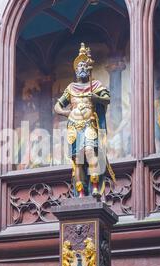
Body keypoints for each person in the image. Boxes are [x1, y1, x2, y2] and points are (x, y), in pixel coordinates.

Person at [54, 43, 115, 198]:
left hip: (89, 124)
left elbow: (107, 99)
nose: (81, 68)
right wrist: (68, 113)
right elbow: (57, 107)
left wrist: (96, 97)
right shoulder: (71, 88)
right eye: (78, 66)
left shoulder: (94, 85)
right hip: (75, 126)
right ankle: (81, 192)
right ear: (75, 70)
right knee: (78, 159)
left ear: (88, 68)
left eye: (83, 65)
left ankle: (95, 186)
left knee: (89, 152)